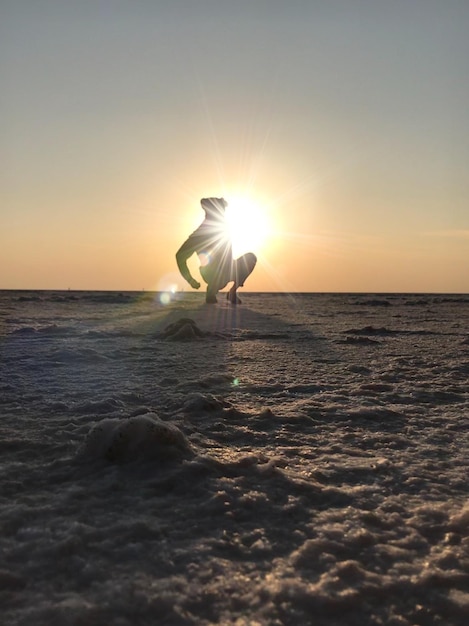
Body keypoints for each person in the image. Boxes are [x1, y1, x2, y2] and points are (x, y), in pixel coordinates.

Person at [176, 197, 257, 304]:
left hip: (229, 269)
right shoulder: (199, 235)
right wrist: (190, 280)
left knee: (250, 258)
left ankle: (232, 292)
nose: (222, 214)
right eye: (219, 211)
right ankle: (211, 291)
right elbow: (180, 256)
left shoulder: (224, 228)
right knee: (217, 267)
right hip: (211, 273)